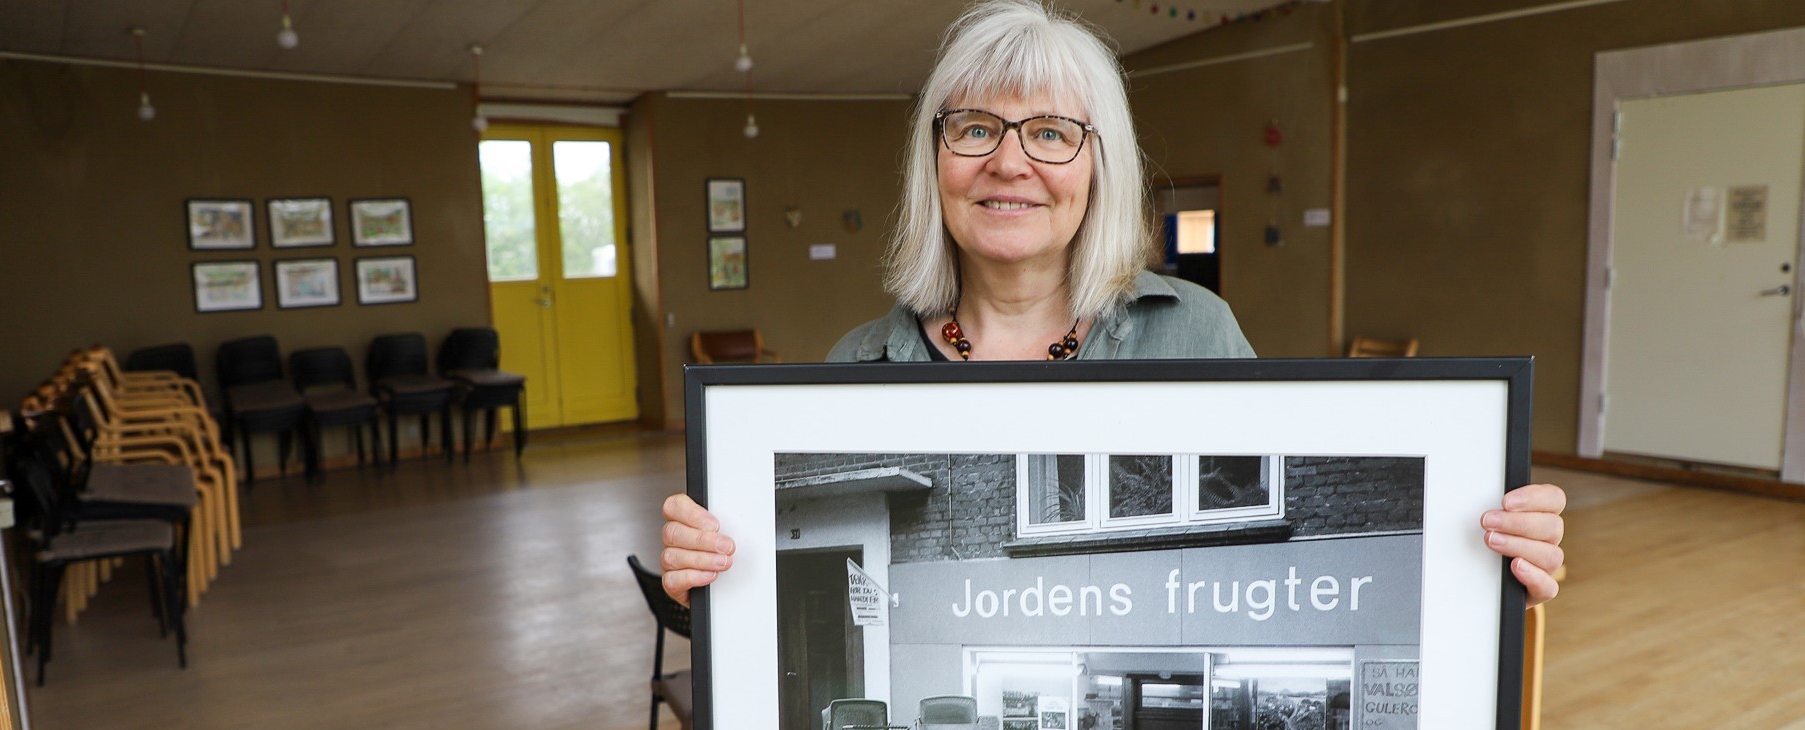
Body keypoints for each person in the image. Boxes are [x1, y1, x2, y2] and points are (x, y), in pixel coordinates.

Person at [660, 0, 1564, 607]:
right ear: (934, 162)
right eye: (974, 128)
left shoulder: (1198, 331)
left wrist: (1481, 558)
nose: (1008, 162)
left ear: (1099, 168)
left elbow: (1290, 539)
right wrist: (712, 581)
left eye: (1051, 133)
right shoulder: (855, 364)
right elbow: (783, 592)